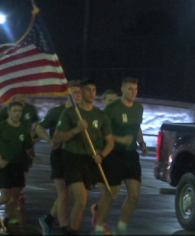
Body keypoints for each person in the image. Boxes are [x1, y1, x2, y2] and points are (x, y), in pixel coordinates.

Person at [53, 78, 114, 235]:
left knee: (82, 201)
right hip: (71, 158)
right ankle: (71, 232)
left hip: (90, 160)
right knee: (81, 199)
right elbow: (57, 137)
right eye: (88, 90)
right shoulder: (70, 113)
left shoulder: (100, 115)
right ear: (81, 91)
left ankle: (71, 229)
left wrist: (102, 154)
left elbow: (110, 142)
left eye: (94, 90)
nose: (92, 93)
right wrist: (76, 130)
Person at [92, 77, 147, 235]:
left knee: (134, 194)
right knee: (110, 195)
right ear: (122, 89)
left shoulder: (138, 108)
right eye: (130, 89)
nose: (133, 92)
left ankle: (122, 227)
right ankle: (99, 227)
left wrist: (142, 143)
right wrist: (120, 139)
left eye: (135, 89)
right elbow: (100, 132)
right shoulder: (112, 108)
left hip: (130, 155)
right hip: (113, 155)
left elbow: (137, 127)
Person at [36, 80, 82, 235]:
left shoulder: (82, 112)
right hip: (59, 155)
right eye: (75, 92)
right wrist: (49, 140)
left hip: (76, 156)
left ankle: (48, 220)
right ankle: (64, 229)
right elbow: (39, 127)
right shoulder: (57, 112)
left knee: (69, 194)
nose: (79, 95)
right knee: (64, 194)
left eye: (80, 92)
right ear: (68, 94)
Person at [0, 101, 35, 228]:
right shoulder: (1, 127)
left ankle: (7, 220)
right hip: (4, 165)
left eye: (19, 111)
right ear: (8, 112)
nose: (17, 114)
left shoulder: (24, 129)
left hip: (18, 165)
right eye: (14, 111)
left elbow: (28, 147)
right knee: (5, 196)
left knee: (15, 196)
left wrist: (32, 157)